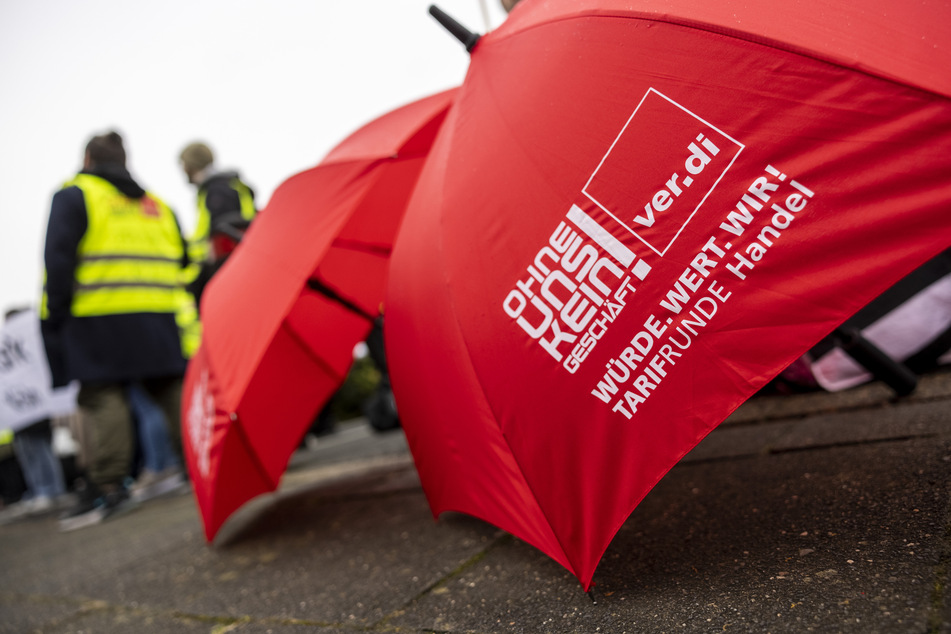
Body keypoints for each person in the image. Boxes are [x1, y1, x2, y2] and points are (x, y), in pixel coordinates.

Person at [41, 130, 189, 531]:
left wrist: (53, 320)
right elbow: (185, 260)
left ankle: (108, 486)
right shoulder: (157, 205)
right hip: (157, 319)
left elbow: (58, 263)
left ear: (88, 159)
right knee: (169, 388)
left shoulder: (75, 195)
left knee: (103, 397)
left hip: (97, 320)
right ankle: (199, 463)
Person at [178, 141, 257, 305]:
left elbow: (222, 237)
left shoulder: (216, 191)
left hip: (219, 271)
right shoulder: (227, 186)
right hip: (234, 266)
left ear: (191, 166)